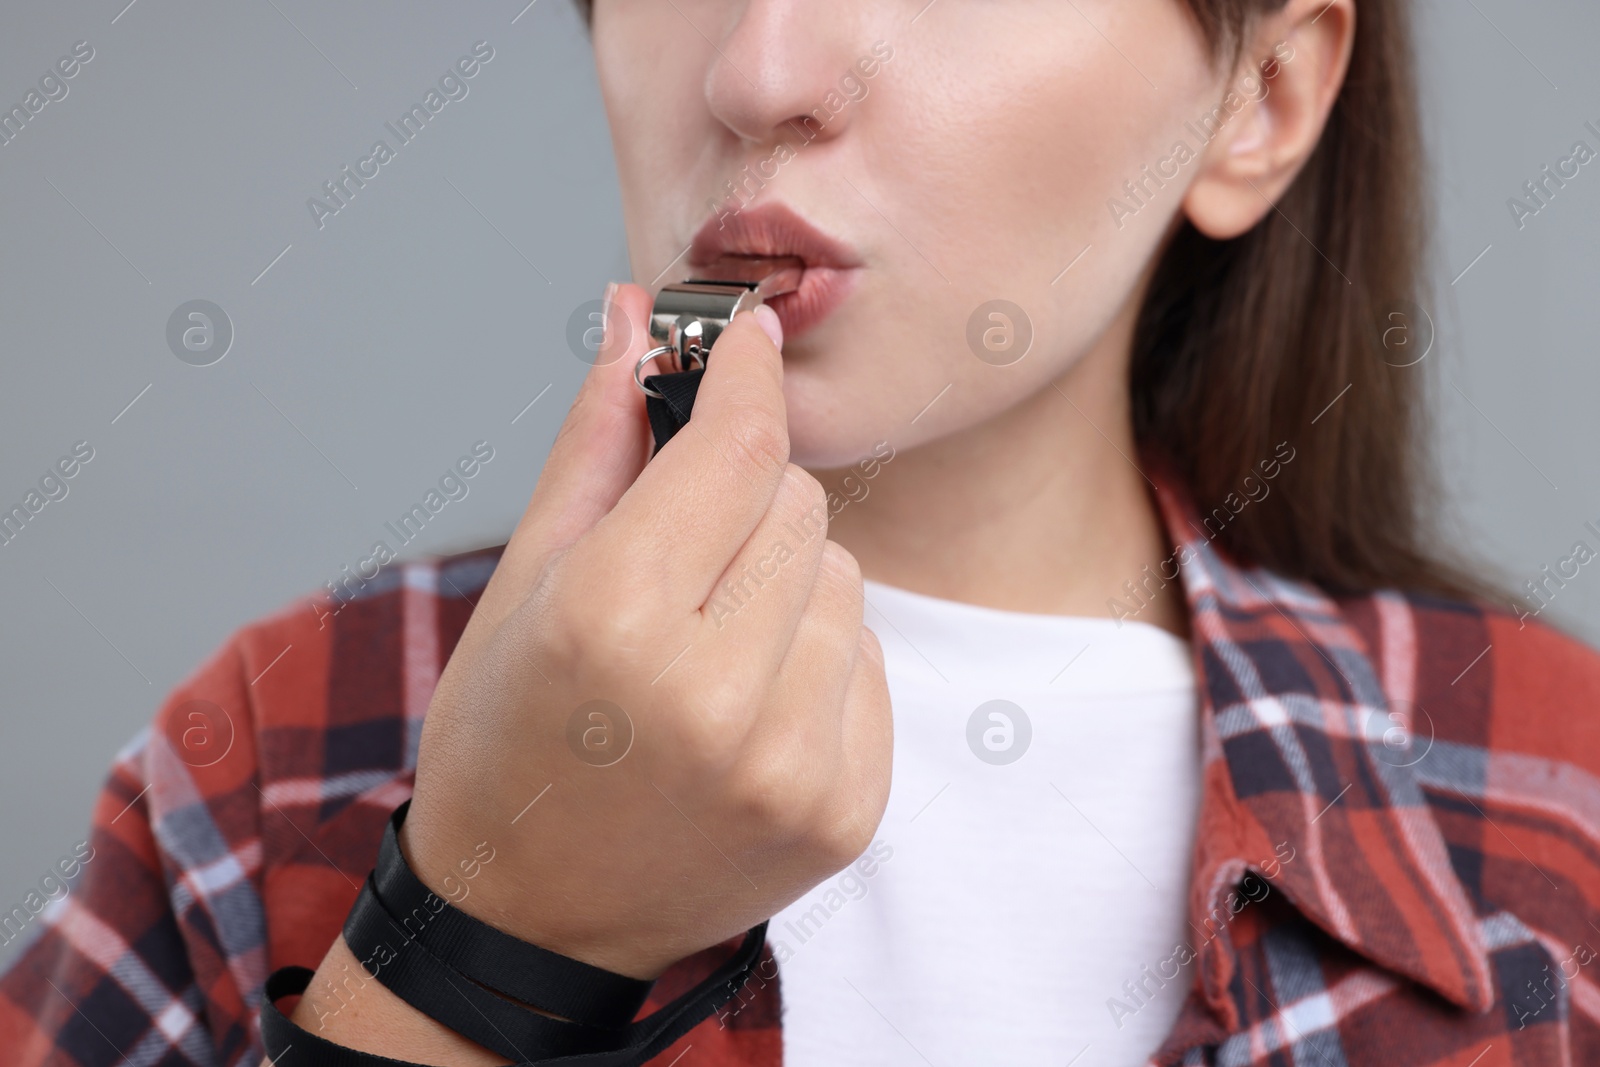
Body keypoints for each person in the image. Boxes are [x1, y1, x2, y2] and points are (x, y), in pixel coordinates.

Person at [5, 0, 1599, 1064]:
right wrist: (480, 944)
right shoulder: (275, 749)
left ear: (1261, 97)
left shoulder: (1552, 793)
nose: (757, 75)